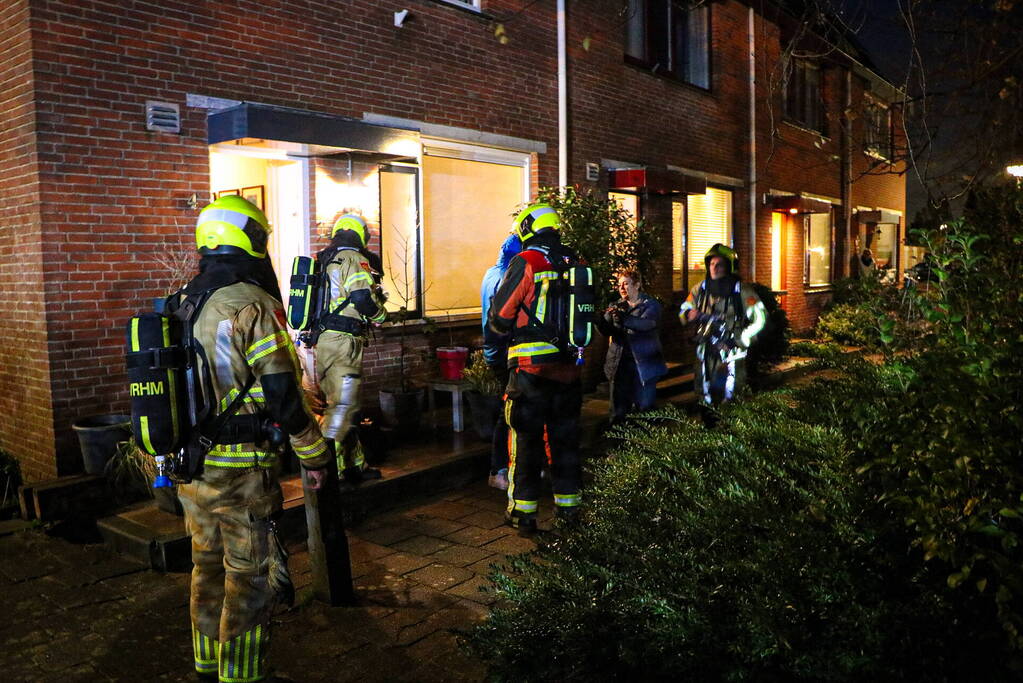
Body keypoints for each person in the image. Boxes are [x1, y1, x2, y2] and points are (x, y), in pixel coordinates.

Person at [175, 195, 331, 682]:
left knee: (206, 566)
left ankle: (207, 665)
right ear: (251, 241)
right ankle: (241, 676)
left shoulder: (185, 299)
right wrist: (314, 451)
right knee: (249, 575)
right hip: (241, 470)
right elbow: (282, 392)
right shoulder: (252, 303)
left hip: (193, 465)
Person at [488, 202, 584, 532]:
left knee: (526, 441)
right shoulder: (578, 262)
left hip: (531, 371)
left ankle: (523, 513)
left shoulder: (527, 261)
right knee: (565, 441)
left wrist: (498, 341)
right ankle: (569, 511)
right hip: (570, 370)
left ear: (528, 228)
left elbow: (501, 316)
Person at [313, 213, 388, 489]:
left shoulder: (324, 260)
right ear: (361, 235)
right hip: (345, 341)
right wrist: (381, 315)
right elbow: (361, 297)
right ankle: (326, 468)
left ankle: (354, 465)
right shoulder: (354, 259)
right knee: (343, 406)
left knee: (342, 404)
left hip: (325, 341)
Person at [678, 243, 766, 407]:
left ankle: (728, 427)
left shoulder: (742, 291)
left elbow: (760, 319)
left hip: (732, 352)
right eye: (711, 264)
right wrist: (688, 314)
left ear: (729, 267)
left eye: (719, 264)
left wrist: (739, 340)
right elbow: (684, 308)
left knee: (731, 395)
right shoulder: (700, 289)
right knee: (703, 394)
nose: (714, 268)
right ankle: (708, 424)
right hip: (705, 351)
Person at [480, 233, 522, 490]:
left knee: (506, 411)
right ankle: (499, 470)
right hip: (507, 354)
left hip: (495, 353)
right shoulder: (510, 277)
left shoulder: (491, 273)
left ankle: (503, 468)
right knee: (509, 414)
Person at [598, 270, 667, 423]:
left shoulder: (651, 305)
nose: (622, 288)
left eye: (626, 283)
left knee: (644, 413)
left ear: (637, 285)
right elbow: (607, 331)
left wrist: (623, 318)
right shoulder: (616, 306)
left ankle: (644, 445)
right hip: (619, 367)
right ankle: (619, 444)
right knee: (618, 413)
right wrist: (600, 320)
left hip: (643, 368)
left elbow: (645, 324)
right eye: (619, 284)